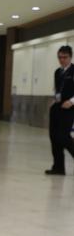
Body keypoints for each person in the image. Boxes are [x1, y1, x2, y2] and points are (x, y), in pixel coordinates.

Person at [45, 45, 74, 175]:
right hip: (57, 107)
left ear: (70, 57)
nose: (62, 60)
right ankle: (58, 167)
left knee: (63, 137)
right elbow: (57, 89)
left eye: (64, 57)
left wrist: (72, 101)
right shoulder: (58, 72)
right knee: (54, 137)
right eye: (59, 57)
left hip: (69, 108)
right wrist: (54, 100)